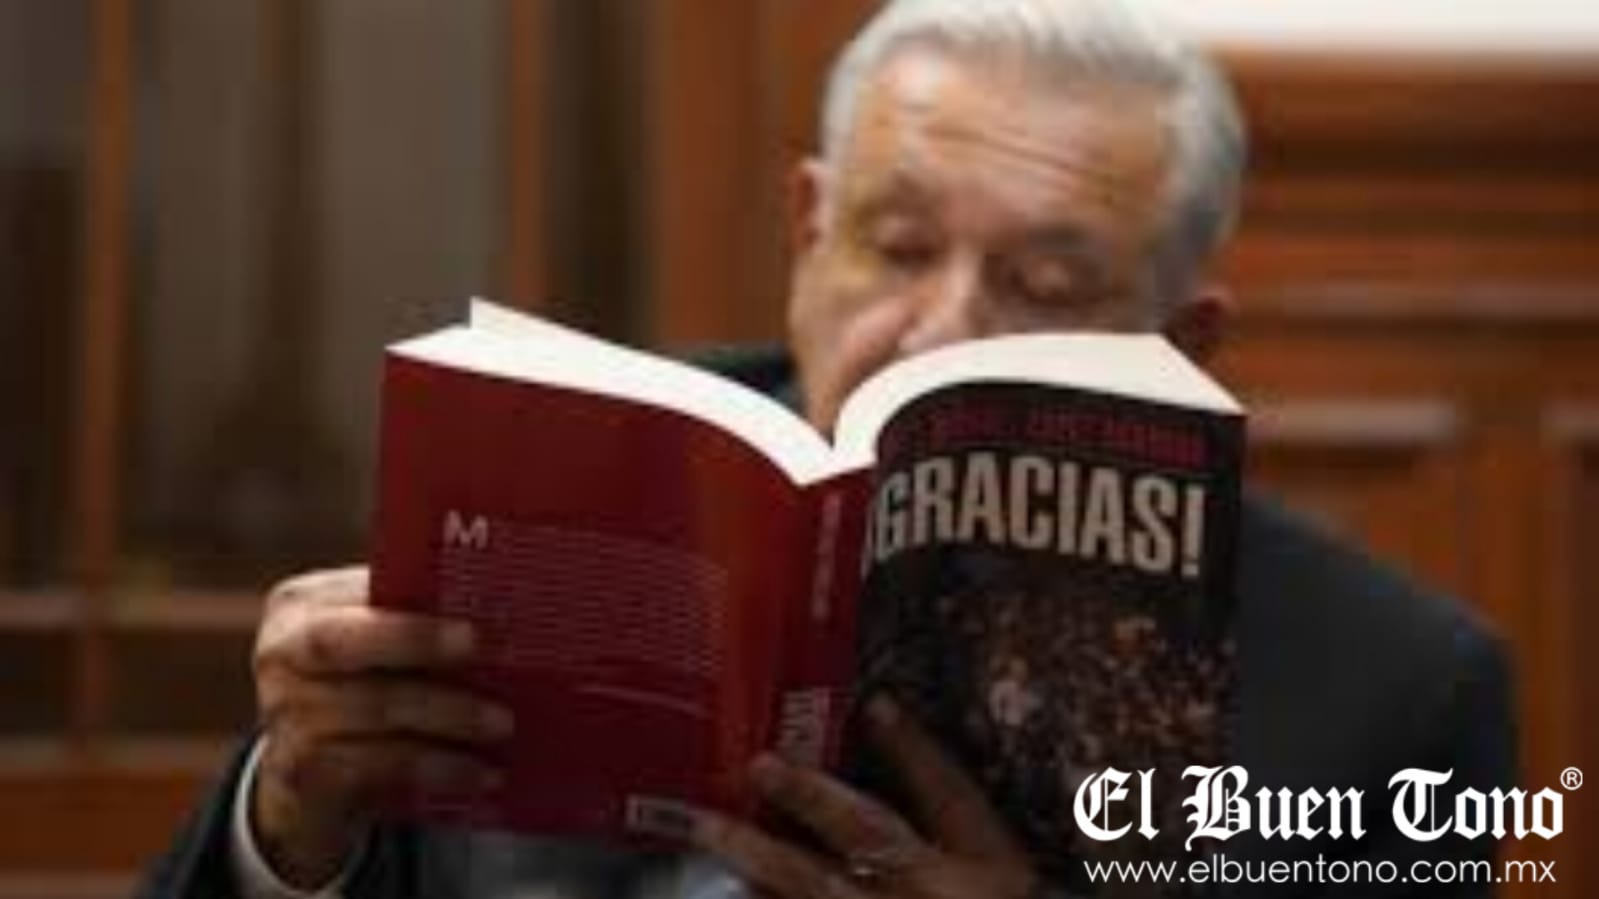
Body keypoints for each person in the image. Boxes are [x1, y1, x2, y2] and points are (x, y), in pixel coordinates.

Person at [140, 1, 1516, 896]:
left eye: (1045, 286)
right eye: (898, 246)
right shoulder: (561, 474)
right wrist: (287, 824)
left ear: (1184, 344)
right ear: (810, 230)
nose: (939, 329)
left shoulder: (1388, 692)